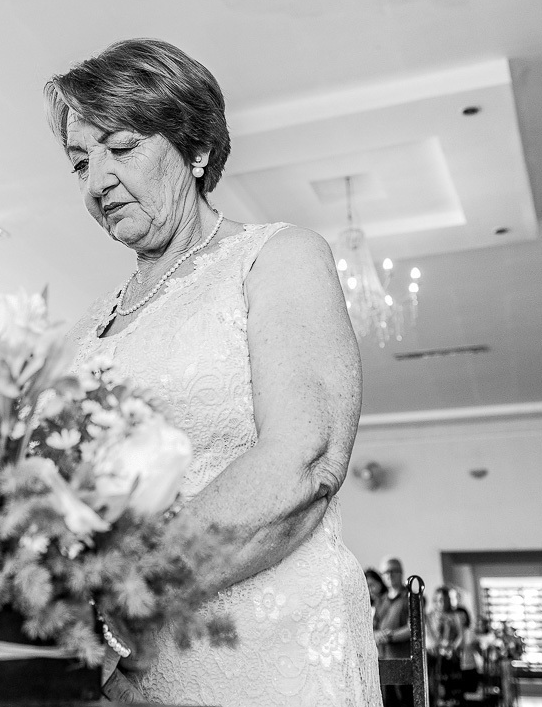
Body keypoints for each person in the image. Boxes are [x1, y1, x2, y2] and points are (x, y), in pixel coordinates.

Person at [46, 38, 378, 706]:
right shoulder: (82, 328)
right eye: (80, 161)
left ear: (196, 149)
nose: (96, 181)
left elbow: (305, 458)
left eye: (121, 147)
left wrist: (117, 607)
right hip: (116, 679)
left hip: (263, 655)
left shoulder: (276, 257)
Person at [374, 557, 414, 707]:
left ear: (401, 572)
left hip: (404, 662)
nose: (389, 575)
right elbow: (372, 629)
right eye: (386, 572)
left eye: (393, 571)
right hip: (384, 662)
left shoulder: (410, 597)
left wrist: (390, 636)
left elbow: (413, 628)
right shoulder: (380, 601)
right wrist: (377, 635)